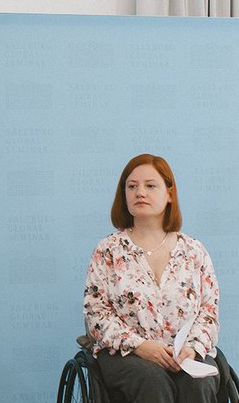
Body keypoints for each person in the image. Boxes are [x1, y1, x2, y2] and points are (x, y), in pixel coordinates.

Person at [83, 154, 220, 402]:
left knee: (198, 383)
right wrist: (140, 346)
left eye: (150, 186)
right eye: (132, 186)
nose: (140, 193)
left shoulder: (193, 251)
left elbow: (208, 312)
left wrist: (192, 349)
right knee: (152, 380)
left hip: (184, 354)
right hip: (126, 354)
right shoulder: (109, 251)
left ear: (169, 195)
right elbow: (96, 312)